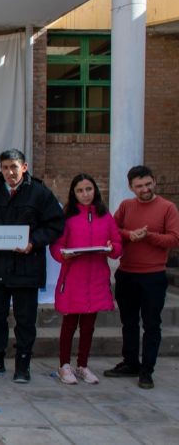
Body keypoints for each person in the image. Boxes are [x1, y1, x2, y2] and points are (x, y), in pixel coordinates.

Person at [0, 149, 64, 383]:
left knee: (25, 319)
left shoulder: (40, 193)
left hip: (27, 267)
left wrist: (33, 242)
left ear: (24, 167)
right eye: (5, 167)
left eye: (14, 166)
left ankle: (23, 364)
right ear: (0, 169)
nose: (10, 172)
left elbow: (55, 225)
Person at [104, 165, 179, 389]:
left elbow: (174, 239)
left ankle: (147, 370)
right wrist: (129, 235)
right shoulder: (126, 206)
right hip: (126, 273)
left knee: (152, 324)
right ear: (131, 187)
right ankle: (130, 362)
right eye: (139, 186)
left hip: (153, 276)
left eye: (148, 184)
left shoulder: (168, 207)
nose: (144, 189)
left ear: (154, 182)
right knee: (128, 323)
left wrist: (148, 237)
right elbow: (112, 230)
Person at [50, 174, 122, 385]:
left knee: (89, 325)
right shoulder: (67, 217)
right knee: (70, 324)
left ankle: (82, 365)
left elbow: (117, 245)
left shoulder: (105, 216)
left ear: (95, 190)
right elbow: (55, 247)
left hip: (97, 278)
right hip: (74, 277)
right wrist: (64, 254)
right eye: (80, 190)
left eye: (89, 189)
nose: (85, 194)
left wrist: (112, 249)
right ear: (73, 194)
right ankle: (64, 365)